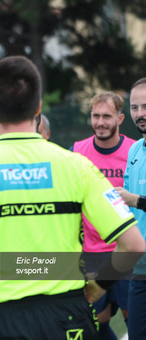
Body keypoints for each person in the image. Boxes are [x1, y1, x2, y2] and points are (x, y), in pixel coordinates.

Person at [0, 56, 145, 339]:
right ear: (37, 108)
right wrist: (94, 289)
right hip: (68, 312)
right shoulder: (77, 164)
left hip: (1, 318)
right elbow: (133, 244)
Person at [72, 92, 136, 339]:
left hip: (130, 254)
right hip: (93, 256)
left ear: (120, 118)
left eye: (107, 116)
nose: (100, 122)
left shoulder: (136, 151)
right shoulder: (77, 152)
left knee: (136, 323)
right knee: (94, 325)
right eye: (95, 116)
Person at [115, 77, 146, 340]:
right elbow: (128, 205)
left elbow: (134, 200)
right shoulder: (135, 149)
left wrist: (137, 200)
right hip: (140, 268)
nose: (140, 114)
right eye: (135, 108)